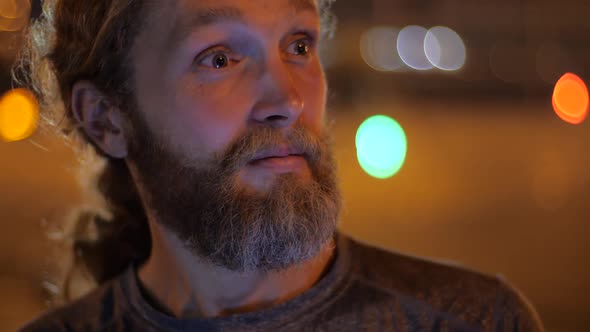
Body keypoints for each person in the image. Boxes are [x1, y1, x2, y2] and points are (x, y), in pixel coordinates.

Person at [17, 0, 544, 331]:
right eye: (219, 58)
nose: (288, 100)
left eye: (299, 45)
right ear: (108, 119)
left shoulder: (473, 320)